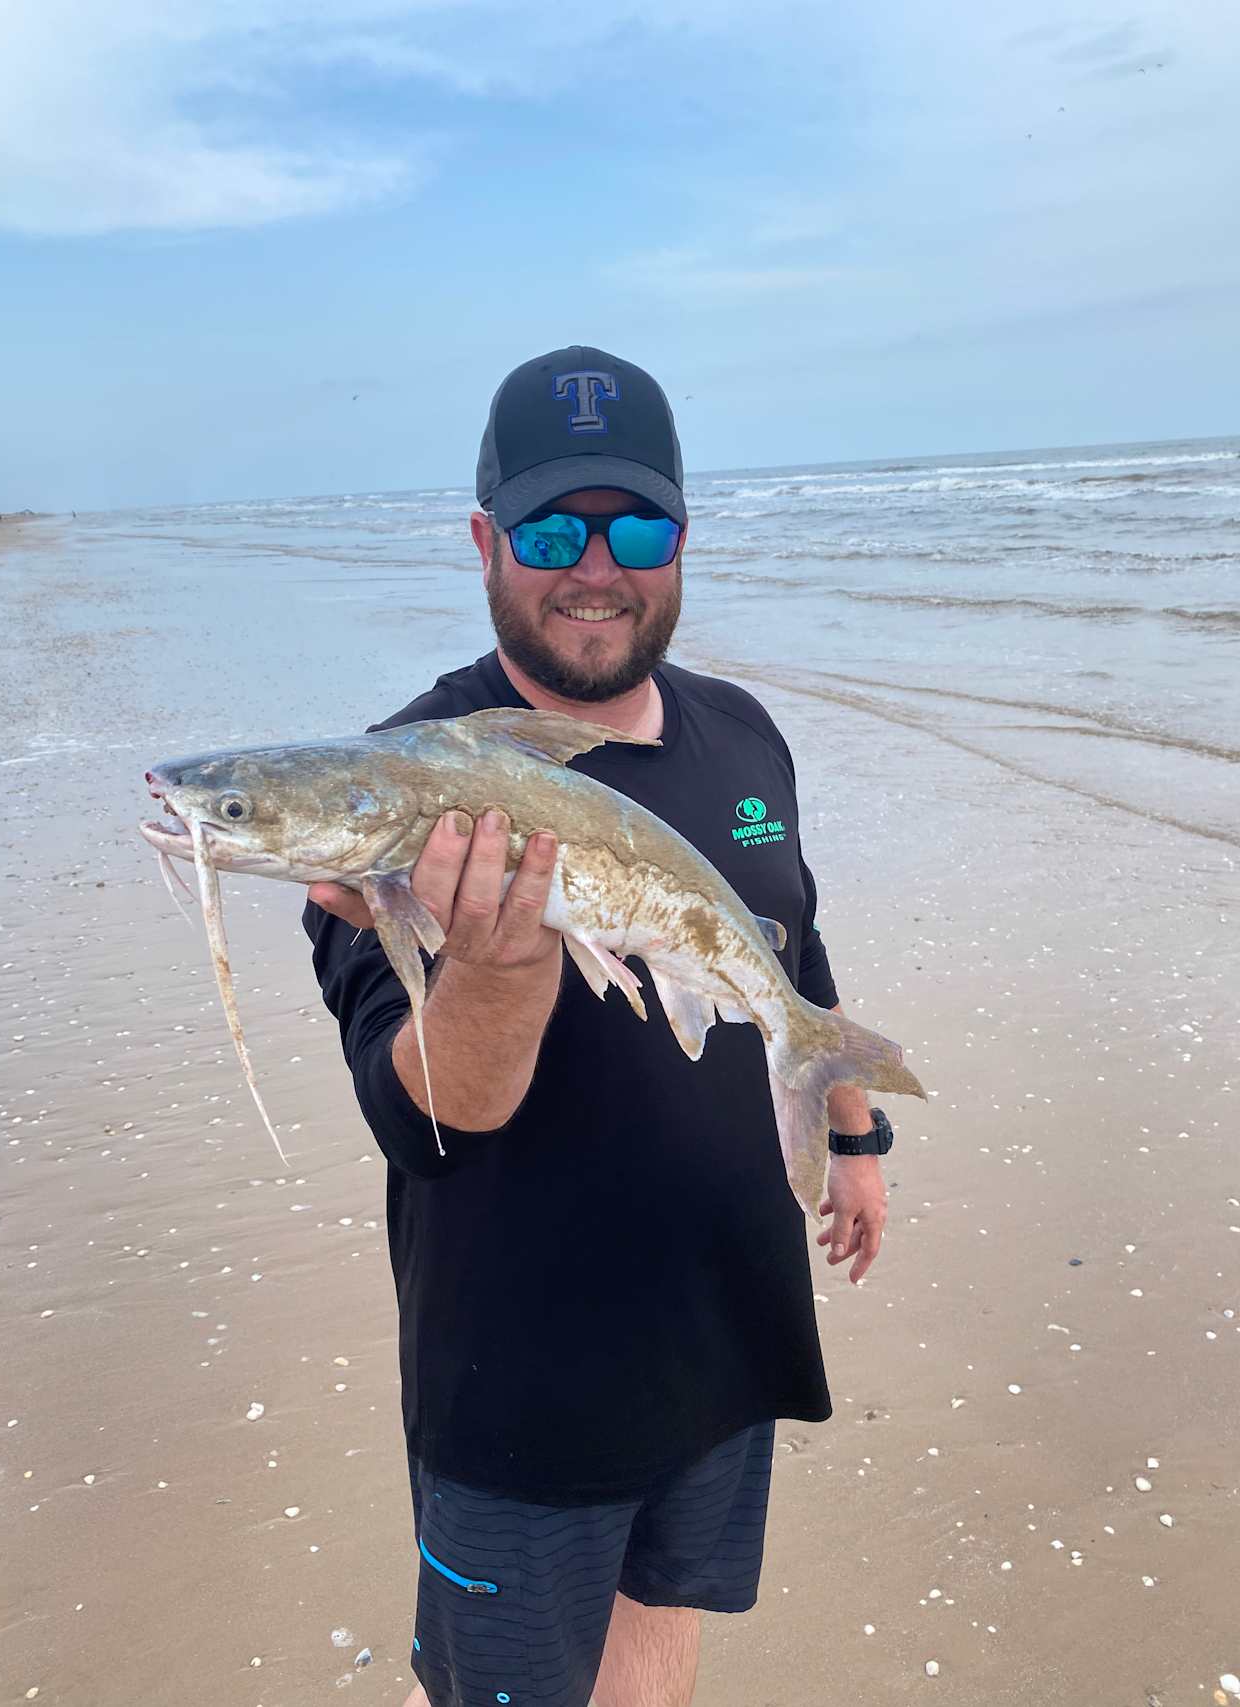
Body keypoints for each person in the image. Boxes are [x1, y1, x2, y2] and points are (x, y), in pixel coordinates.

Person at [303, 346, 897, 1707]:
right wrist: (502, 970)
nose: (595, 566)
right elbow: (417, 1116)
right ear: (483, 541)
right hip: (525, 1390)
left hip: (727, 1328)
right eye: (550, 528)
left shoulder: (743, 733)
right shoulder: (396, 788)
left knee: (656, 1666)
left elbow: (786, 946)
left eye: (635, 527)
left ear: (682, 538)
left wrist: (856, 1137)